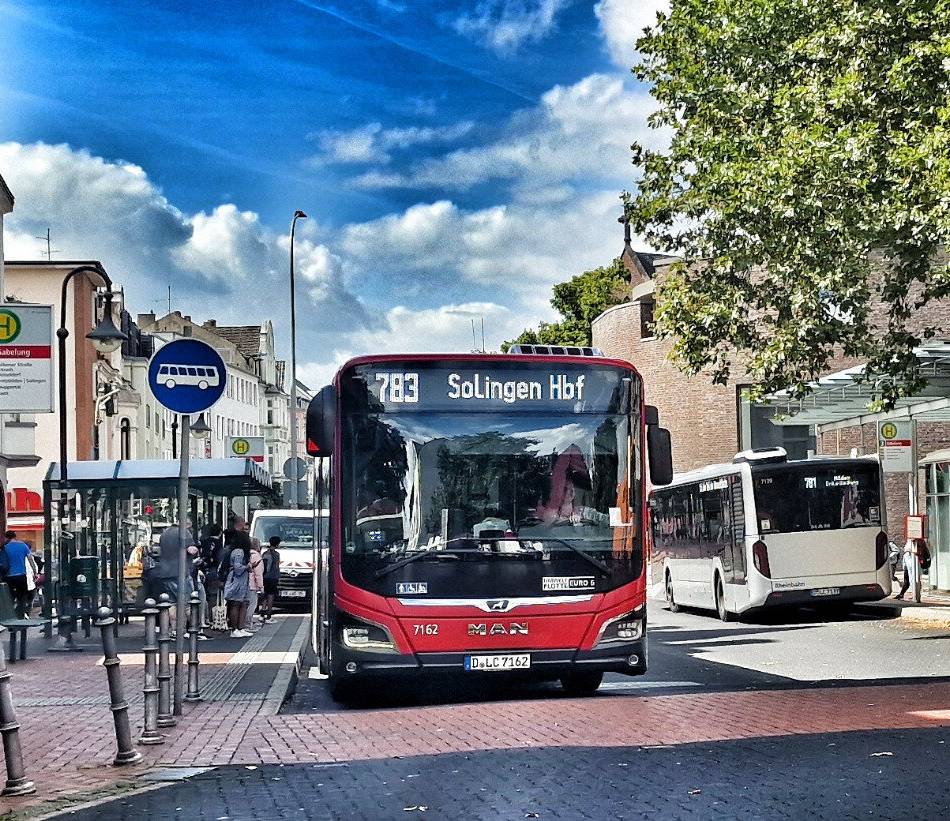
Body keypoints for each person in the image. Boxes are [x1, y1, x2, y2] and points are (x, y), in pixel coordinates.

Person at [147, 522, 196, 631]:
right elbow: (191, 550)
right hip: (180, 572)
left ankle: (174, 630)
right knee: (188, 603)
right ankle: (191, 630)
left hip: (165, 573)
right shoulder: (184, 532)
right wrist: (196, 551)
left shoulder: (165, 534)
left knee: (172, 604)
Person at [1, 530, 39, 617]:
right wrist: (35, 573)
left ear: (6, 537)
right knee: (22, 599)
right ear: (15, 537)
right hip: (21, 576)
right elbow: (30, 560)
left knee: (10, 599)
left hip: (8, 577)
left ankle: (10, 618)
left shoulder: (5, 547)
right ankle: (21, 618)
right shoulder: (23, 546)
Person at [223, 531, 253, 638]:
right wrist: (247, 567)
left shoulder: (239, 551)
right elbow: (237, 567)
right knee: (236, 603)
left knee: (243, 603)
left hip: (241, 580)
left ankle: (240, 628)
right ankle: (235, 629)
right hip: (237, 580)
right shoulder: (239, 552)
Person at [895, 537, 932, 601]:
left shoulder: (918, 539)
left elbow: (919, 548)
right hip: (907, 555)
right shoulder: (911, 537)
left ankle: (916, 595)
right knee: (907, 576)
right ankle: (902, 594)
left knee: (913, 576)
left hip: (911, 555)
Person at [245, 538, 265, 631]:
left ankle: (243, 624)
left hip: (243, 583)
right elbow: (258, 573)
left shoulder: (245, 554)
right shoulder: (257, 557)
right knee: (252, 604)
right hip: (252, 584)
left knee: (244, 605)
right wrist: (261, 586)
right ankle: (248, 625)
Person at [260, 536, 281, 622]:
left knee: (264, 595)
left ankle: (262, 614)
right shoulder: (276, 554)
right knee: (271, 596)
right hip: (272, 577)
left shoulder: (265, 553)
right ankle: (269, 615)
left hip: (264, 577)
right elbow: (276, 566)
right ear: (277, 544)